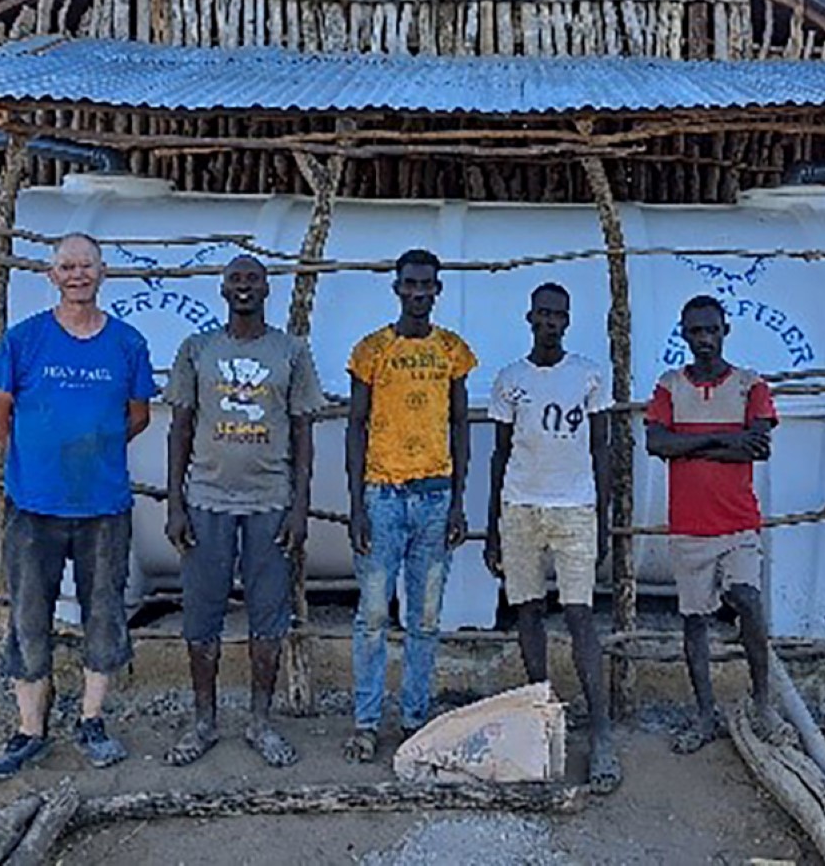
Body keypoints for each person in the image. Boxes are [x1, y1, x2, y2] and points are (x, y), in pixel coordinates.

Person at [0, 233, 157, 780]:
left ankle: (91, 719)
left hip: (103, 505)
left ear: (102, 273)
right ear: (51, 275)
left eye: (86, 265)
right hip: (34, 506)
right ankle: (30, 729)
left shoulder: (126, 343)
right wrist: (41, 459)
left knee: (103, 610)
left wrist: (91, 449)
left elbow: (138, 416)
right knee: (30, 613)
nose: (77, 274)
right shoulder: (24, 340)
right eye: (67, 266)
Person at [161, 255, 325, 768]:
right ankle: (204, 722)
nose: (244, 287)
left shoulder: (291, 352)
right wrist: (175, 503)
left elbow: (302, 433)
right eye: (236, 280)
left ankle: (260, 722)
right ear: (223, 289)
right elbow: (180, 429)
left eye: (253, 279)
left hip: (270, 503)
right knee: (202, 615)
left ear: (267, 289)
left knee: (269, 616)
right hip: (207, 500)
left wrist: (300, 508)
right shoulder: (197, 350)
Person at [483, 282, 620, 791]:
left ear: (567, 320)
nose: (549, 322)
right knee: (528, 610)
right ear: (529, 317)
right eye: (542, 314)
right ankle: (540, 716)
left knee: (581, 615)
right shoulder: (509, 379)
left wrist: (602, 517)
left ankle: (601, 731)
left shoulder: (588, 375)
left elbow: (602, 449)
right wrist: (494, 525)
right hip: (520, 506)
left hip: (575, 508)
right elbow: (500, 455)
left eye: (558, 315)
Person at [343, 249, 476, 763]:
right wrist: (356, 504)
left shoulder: (452, 351)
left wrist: (458, 500)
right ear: (397, 287)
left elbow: (460, 427)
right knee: (374, 614)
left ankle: (415, 719)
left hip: (434, 495)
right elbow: (356, 427)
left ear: (437, 290)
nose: (418, 292)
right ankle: (367, 721)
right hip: (382, 495)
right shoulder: (372, 350)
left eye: (427, 285)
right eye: (410, 284)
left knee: (424, 616)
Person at [645, 294, 787, 753]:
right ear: (684, 334)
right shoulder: (670, 386)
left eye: (712, 330)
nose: (704, 340)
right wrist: (724, 440)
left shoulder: (749, 385)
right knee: (694, 620)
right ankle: (705, 714)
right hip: (688, 524)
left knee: (746, 598)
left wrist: (690, 442)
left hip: (737, 522)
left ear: (725, 330)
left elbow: (759, 446)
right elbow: (657, 443)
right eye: (695, 331)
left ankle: (763, 702)